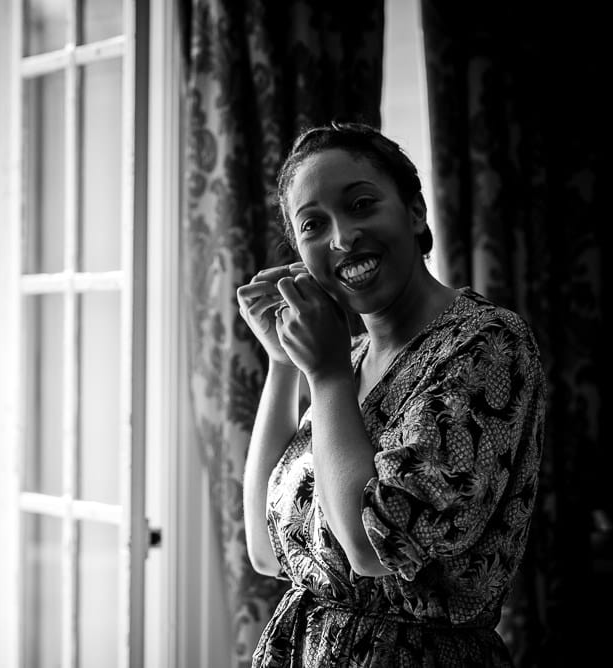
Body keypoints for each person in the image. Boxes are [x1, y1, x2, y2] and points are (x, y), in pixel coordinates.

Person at [237, 121, 546, 667]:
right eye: (314, 225)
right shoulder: (348, 360)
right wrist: (284, 365)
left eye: (361, 204)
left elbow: (367, 547)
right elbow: (267, 553)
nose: (342, 238)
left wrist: (326, 376)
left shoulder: (487, 346)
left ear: (416, 213)